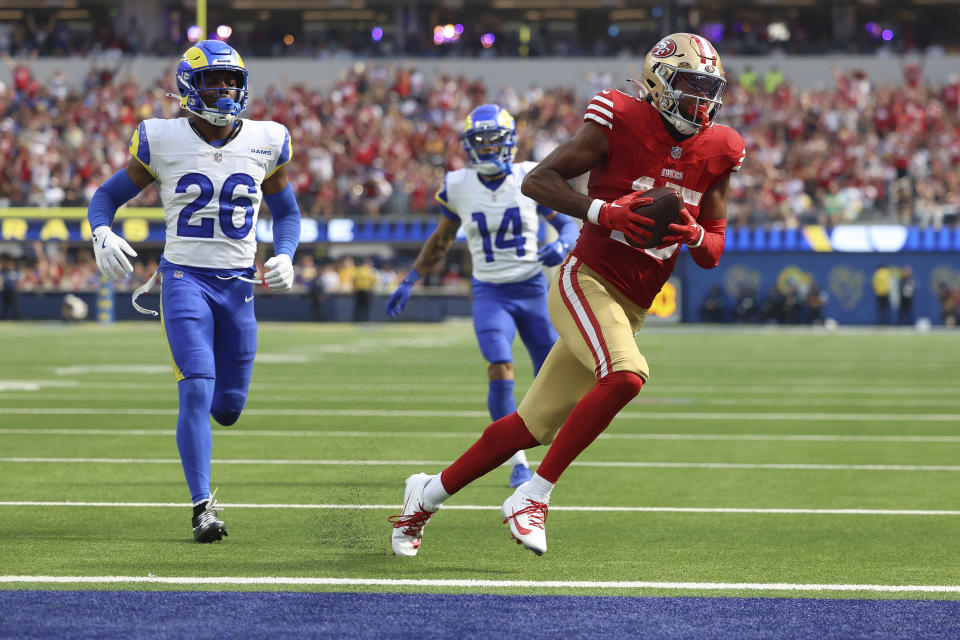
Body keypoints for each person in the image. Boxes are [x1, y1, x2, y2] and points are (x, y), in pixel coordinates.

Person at [389, 33, 744, 556]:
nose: (702, 101)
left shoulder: (720, 148)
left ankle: (425, 495)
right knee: (626, 374)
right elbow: (537, 181)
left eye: (708, 89)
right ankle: (534, 495)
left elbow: (713, 250)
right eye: (691, 86)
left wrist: (692, 234)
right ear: (658, 82)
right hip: (586, 280)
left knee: (529, 427)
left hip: (633, 302)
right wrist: (605, 212)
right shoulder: (619, 117)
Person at [86, 40, 301, 543]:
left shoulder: (268, 139)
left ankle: (205, 431)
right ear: (189, 87)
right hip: (184, 280)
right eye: (214, 82)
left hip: (239, 286)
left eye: (232, 82)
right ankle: (202, 507)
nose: (225, 91)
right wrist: (101, 230)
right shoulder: (161, 139)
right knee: (197, 386)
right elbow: (106, 196)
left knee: (227, 408)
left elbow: (287, 212)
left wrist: (286, 253)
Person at [385, 103, 579, 488]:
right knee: (500, 367)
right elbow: (441, 240)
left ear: (509, 143)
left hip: (532, 289)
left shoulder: (529, 177)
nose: (488, 149)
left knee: (555, 376)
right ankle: (518, 462)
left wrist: (563, 246)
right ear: (470, 146)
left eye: (495, 142)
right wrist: (411, 277)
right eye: (481, 143)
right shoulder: (458, 185)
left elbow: (568, 225)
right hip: (490, 293)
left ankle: (545, 447)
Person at [1, 255, 21, 320]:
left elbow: (18, 281)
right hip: (6, 291)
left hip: (13, 291)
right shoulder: (4, 271)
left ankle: (16, 318)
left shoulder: (16, 271)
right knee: (5, 305)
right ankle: (4, 318)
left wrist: (17, 288)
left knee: (15, 306)